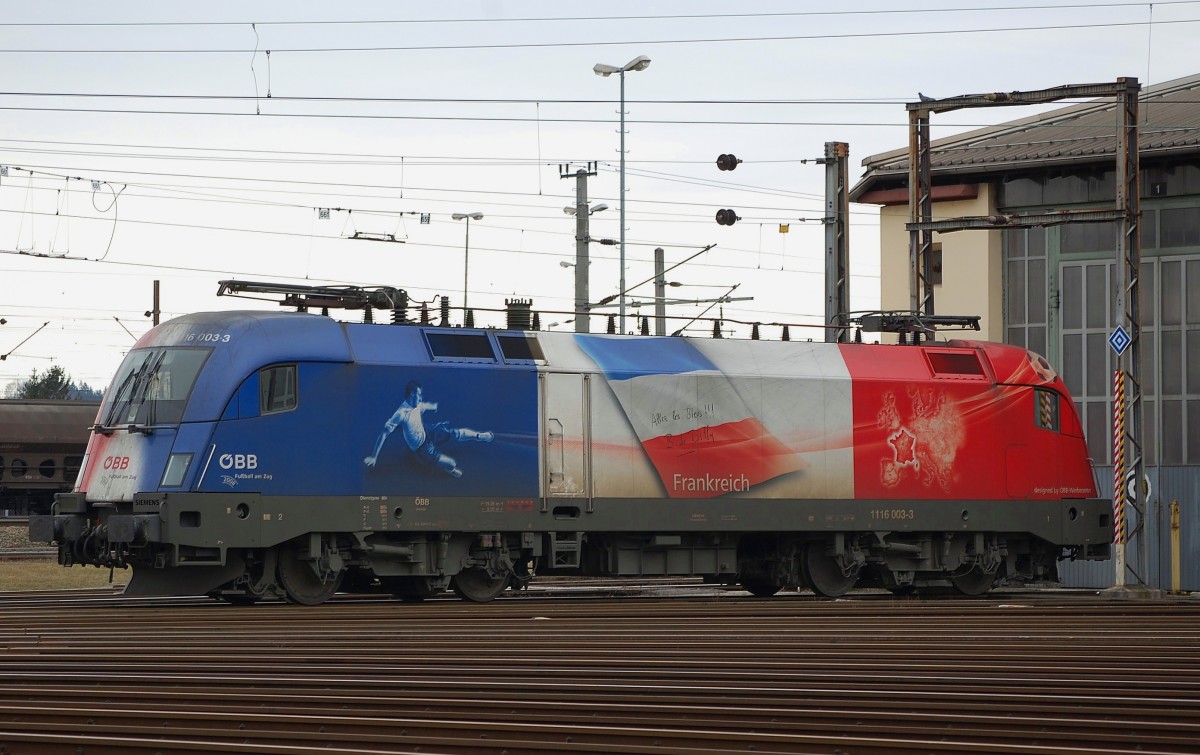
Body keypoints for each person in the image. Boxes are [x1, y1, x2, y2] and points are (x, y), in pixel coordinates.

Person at [364, 381, 493, 477]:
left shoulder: (418, 405)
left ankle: (479, 436)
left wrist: (437, 406)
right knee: (452, 463)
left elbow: (429, 405)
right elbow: (383, 434)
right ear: (412, 394)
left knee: (453, 432)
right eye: (419, 394)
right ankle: (450, 470)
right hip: (422, 449)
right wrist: (374, 456)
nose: (421, 398)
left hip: (428, 432)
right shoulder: (401, 413)